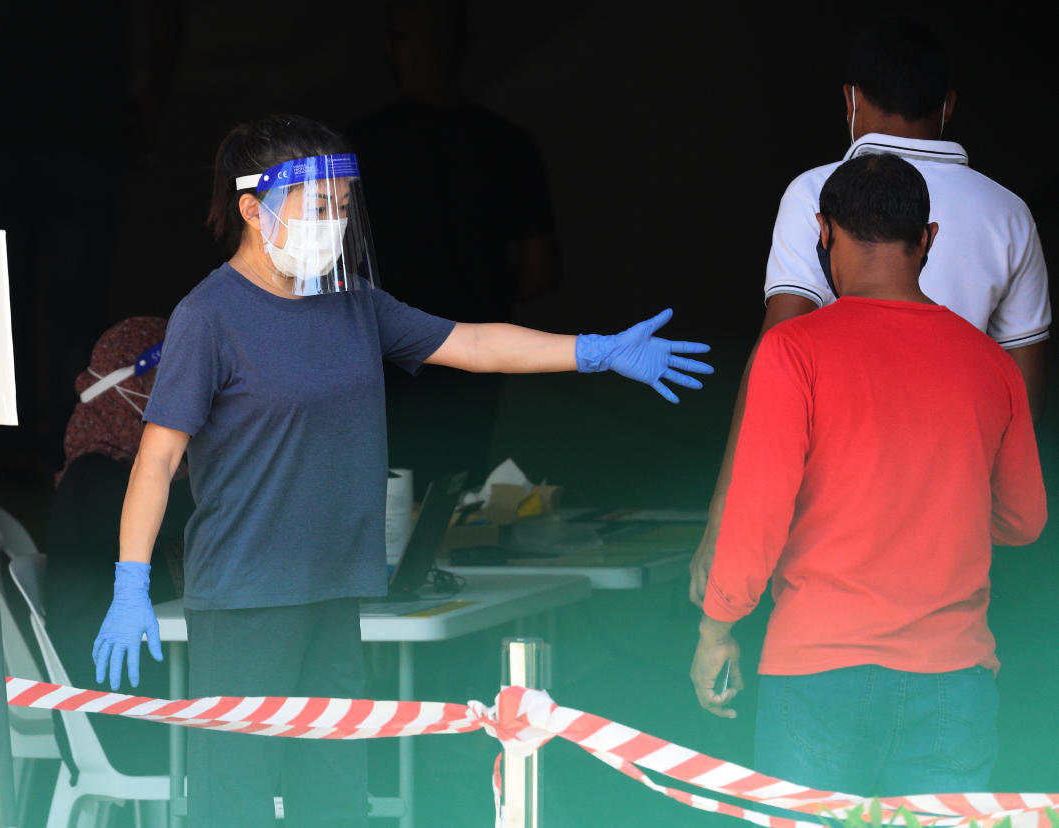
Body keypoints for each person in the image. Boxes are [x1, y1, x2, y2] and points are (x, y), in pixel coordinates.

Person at [88, 113, 712, 827]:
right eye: (318, 207)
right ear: (252, 211)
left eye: (344, 208)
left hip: (337, 587)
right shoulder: (210, 316)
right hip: (246, 599)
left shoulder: (354, 304)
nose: (335, 223)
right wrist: (131, 582)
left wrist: (593, 351)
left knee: (337, 796)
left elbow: (473, 343)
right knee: (236, 802)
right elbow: (158, 457)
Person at [689, 153, 1046, 798]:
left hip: (817, 675)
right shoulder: (991, 365)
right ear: (929, 239)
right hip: (954, 678)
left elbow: (757, 513)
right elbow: (1024, 522)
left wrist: (717, 628)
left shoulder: (793, 352)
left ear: (823, 234)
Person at [688, 16, 1051, 607]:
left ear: (851, 101)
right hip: (956, 555)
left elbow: (774, 362)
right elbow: (1025, 405)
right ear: (949, 104)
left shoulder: (817, 192)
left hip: (832, 550)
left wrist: (722, 522)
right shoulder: (1009, 213)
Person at [346, 0, 563, 491]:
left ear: (392, 47)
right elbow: (541, 270)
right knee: (450, 503)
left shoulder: (355, 148)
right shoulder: (506, 144)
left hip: (377, 359)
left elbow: (317, 269)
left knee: (377, 505)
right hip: (473, 358)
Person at [46, 316, 194, 776]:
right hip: (122, 721)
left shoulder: (105, 469)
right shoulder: (99, 479)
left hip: (143, 697)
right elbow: (214, 509)